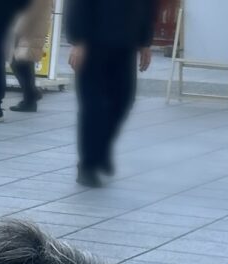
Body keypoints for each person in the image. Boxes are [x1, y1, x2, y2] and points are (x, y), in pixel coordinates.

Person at [65, 0, 159, 188]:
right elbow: (77, 4)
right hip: (93, 44)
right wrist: (79, 40)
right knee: (93, 106)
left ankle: (100, 150)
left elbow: (148, 6)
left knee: (124, 100)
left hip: (125, 44)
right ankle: (88, 165)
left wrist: (145, 41)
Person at [10, 0, 53, 112]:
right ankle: (30, 98)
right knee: (24, 62)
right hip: (33, 27)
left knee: (18, 62)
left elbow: (31, 11)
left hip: (29, 28)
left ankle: (31, 95)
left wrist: (18, 29)